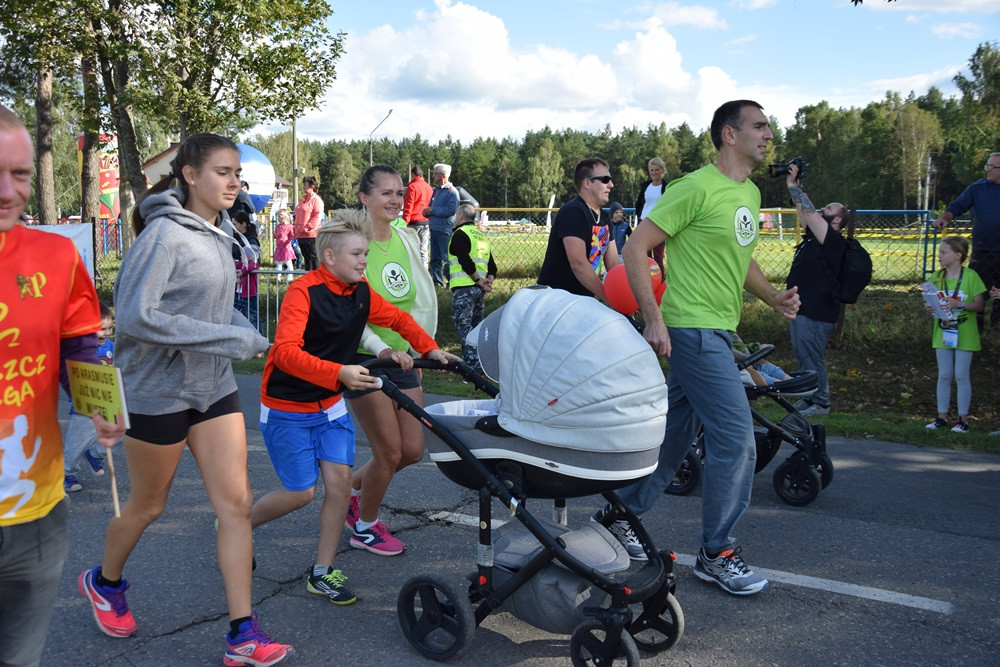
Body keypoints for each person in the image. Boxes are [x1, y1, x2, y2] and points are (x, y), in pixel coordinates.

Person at [77, 133, 293, 665]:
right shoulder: (162, 238)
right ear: (190, 176)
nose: (234, 181)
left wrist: (261, 337)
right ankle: (104, 582)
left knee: (236, 506)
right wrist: (229, 339)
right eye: (223, 171)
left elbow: (217, 313)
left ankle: (242, 634)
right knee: (149, 506)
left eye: (237, 172)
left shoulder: (221, 235)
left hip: (213, 387)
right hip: (157, 392)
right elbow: (135, 317)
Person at [611, 100, 800, 596]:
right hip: (690, 329)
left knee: (674, 435)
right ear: (728, 134)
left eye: (769, 127)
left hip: (719, 328)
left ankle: (619, 514)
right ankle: (716, 552)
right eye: (759, 126)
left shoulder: (751, 193)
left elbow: (744, 260)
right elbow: (635, 247)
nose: (768, 134)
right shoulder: (693, 187)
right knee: (737, 438)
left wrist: (774, 296)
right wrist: (653, 319)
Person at [250, 215, 454, 608]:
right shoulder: (302, 291)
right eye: (357, 253)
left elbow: (396, 318)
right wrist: (339, 371)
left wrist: (428, 348)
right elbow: (285, 353)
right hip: (287, 407)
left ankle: (323, 572)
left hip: (329, 406)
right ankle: (236, 527)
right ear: (329, 256)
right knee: (300, 493)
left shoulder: (359, 290)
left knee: (340, 488)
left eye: (365, 252)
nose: (364, 260)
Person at [0, 105, 125, 666]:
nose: (9, 191)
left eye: (21, 174)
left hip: (33, 508)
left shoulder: (55, 255)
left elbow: (78, 347)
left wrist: (98, 400)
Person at [346, 165, 442, 556]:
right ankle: (365, 526)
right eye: (385, 193)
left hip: (405, 358)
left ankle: (351, 490)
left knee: (413, 450)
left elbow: (417, 299)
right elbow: (352, 309)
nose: (394, 200)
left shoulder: (406, 237)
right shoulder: (352, 244)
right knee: (388, 451)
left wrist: (424, 347)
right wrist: (379, 349)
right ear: (364, 198)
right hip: (366, 358)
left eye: (399, 193)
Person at [783, 163, 849, 416]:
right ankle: (811, 398)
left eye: (830, 208)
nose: (824, 209)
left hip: (818, 311)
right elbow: (805, 211)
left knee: (811, 356)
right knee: (803, 355)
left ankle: (821, 401)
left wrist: (793, 186)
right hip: (803, 306)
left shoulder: (833, 241)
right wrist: (796, 184)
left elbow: (810, 212)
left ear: (839, 219)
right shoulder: (815, 235)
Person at [922, 236, 986, 433]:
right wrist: (930, 308)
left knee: (961, 375)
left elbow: (979, 305)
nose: (939, 256)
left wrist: (959, 304)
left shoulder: (971, 276)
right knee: (944, 375)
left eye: (943, 252)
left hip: (965, 335)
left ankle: (963, 419)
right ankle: (942, 417)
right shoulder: (936, 278)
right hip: (943, 333)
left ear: (958, 255)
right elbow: (929, 302)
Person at [932, 152, 1000, 327]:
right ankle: (975, 329)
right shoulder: (978, 188)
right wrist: (945, 218)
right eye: (987, 165)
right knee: (976, 292)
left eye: (992, 167)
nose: (987, 170)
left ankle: (996, 330)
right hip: (982, 251)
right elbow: (957, 205)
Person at [537, 157, 621, 299]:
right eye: (605, 179)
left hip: (583, 299)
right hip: (556, 300)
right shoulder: (573, 212)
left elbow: (613, 264)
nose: (611, 185)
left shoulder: (605, 218)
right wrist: (610, 298)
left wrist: (628, 294)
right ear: (587, 183)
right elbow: (578, 263)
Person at [63, 303, 119, 492]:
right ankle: (67, 473)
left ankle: (94, 454)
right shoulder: (78, 349)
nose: (107, 333)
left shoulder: (113, 347)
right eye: (102, 329)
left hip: (109, 404)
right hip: (85, 407)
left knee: (119, 434)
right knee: (75, 445)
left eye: (110, 328)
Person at [448, 203, 497, 371]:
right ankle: (480, 363)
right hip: (479, 290)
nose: (454, 218)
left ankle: (472, 365)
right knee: (476, 327)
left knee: (463, 324)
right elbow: (492, 266)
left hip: (465, 287)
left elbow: (464, 259)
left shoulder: (460, 234)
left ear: (461, 217)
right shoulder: (481, 236)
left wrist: (477, 279)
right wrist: (487, 281)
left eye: (456, 215)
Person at [422, 163, 459, 287]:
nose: (433, 176)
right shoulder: (436, 190)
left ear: (442, 175)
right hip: (434, 228)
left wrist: (433, 211)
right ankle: (437, 282)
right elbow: (434, 207)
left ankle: (451, 282)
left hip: (445, 230)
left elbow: (451, 210)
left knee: (447, 258)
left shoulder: (452, 192)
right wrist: (427, 212)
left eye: (435, 173)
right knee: (434, 258)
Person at [635, 157, 668, 274]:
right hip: (644, 222)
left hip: (658, 224)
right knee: (644, 255)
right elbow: (639, 204)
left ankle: (660, 281)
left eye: (656, 170)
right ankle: (647, 281)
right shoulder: (645, 186)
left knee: (658, 257)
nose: (654, 172)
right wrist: (639, 217)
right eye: (652, 170)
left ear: (662, 170)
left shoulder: (667, 188)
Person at [231, 211, 262, 334]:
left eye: (235, 224)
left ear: (243, 224)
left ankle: (259, 341)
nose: (233, 227)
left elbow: (253, 262)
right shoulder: (236, 238)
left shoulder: (251, 240)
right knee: (239, 313)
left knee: (252, 313)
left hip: (249, 285)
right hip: (238, 287)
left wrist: (240, 273)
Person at [402, 166, 433, 268]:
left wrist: (404, 222)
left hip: (414, 222)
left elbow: (408, 206)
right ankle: (424, 272)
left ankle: (413, 271)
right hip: (426, 221)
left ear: (412, 175)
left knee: (411, 249)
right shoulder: (429, 187)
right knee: (423, 250)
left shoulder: (412, 187)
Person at [295, 175, 324, 271]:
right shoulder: (303, 200)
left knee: (313, 257)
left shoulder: (317, 200)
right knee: (306, 258)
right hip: (301, 235)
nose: (303, 187)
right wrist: (296, 228)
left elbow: (318, 216)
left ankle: (317, 278)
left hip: (311, 235)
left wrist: (307, 227)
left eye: (305, 185)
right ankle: (309, 278)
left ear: (311, 187)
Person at [273, 208, 297, 281]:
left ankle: (290, 277)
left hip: (286, 247)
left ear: (285, 217)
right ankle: (278, 278)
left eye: (280, 216)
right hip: (279, 247)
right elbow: (275, 236)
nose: (278, 218)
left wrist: (293, 237)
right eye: (278, 217)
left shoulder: (289, 227)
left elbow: (293, 236)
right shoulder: (278, 226)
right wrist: (275, 236)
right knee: (279, 263)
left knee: (288, 262)